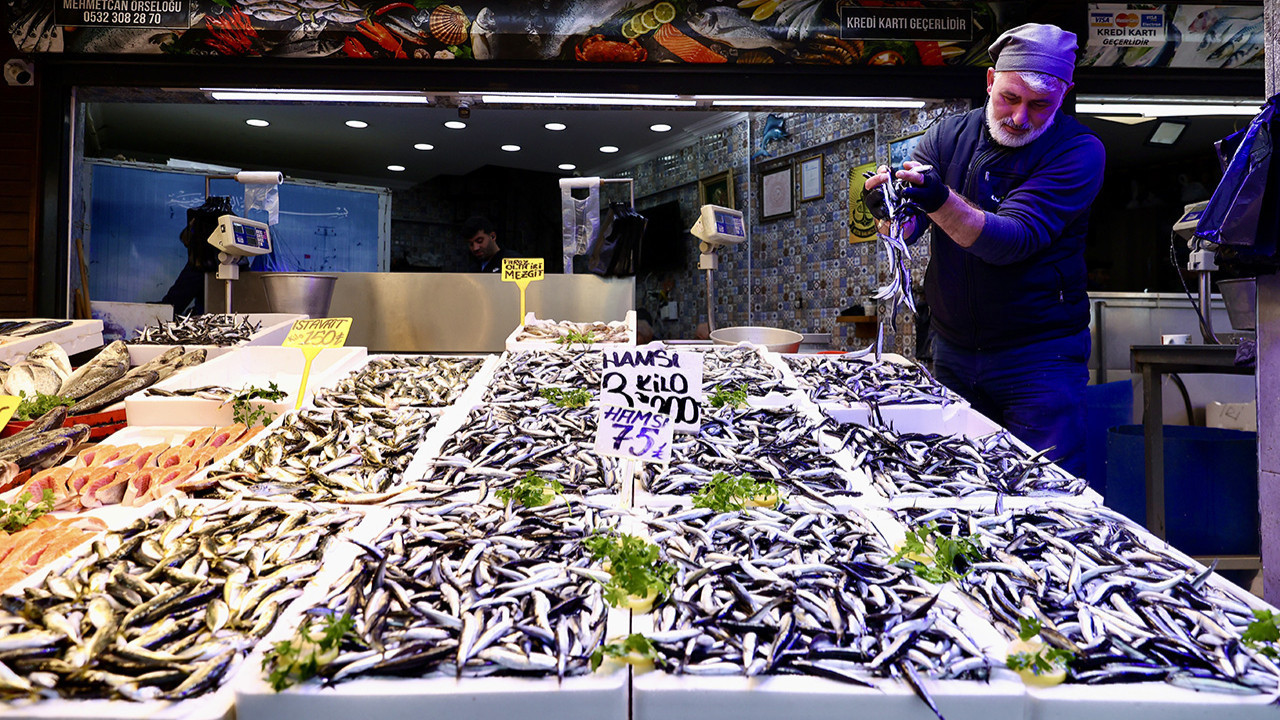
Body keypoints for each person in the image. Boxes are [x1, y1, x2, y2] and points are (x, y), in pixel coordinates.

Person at [862, 23, 1105, 479]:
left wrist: (940, 200)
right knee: (952, 483)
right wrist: (891, 211)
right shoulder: (946, 136)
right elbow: (910, 226)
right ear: (990, 80)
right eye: (1010, 98)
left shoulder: (1078, 152)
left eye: (1040, 105)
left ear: (1065, 93)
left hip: (1038, 361)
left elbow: (1010, 240)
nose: (1020, 117)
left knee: (1046, 491)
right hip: (952, 350)